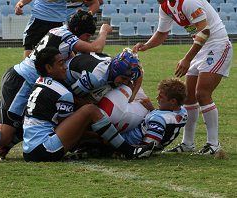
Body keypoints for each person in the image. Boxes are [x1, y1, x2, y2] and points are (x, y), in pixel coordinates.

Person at [0, 10, 111, 161]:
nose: (88, 40)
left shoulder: (59, 32)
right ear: (78, 31)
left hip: (17, 77)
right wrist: (103, 31)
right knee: (6, 135)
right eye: (88, 35)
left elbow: (75, 57)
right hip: (22, 82)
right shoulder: (67, 36)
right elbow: (95, 47)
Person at [133, 0, 233, 155]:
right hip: (202, 48)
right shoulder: (165, 7)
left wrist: (187, 59)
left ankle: (213, 144)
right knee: (189, 97)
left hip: (218, 45)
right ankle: (188, 143)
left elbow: (205, 31)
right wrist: (146, 45)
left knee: (202, 93)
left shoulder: (188, 2)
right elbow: (162, 33)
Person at [22, 47, 155, 162]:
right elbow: (70, 128)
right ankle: (128, 151)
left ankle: (96, 145)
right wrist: (101, 135)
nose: (65, 67)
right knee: (90, 110)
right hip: (46, 149)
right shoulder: (64, 93)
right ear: (49, 68)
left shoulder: (39, 82)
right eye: (61, 63)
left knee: (89, 114)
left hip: (30, 149)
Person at [14, 0, 100, 58]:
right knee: (30, 52)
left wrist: (87, 16)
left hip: (58, 22)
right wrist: (21, 3)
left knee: (62, 54)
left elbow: (95, 2)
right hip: (39, 19)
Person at [65, 48, 143, 107]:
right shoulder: (95, 78)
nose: (126, 82)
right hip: (67, 79)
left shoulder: (115, 66)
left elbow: (139, 75)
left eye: (129, 79)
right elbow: (71, 96)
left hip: (84, 63)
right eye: (124, 78)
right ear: (116, 71)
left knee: (128, 87)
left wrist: (132, 97)